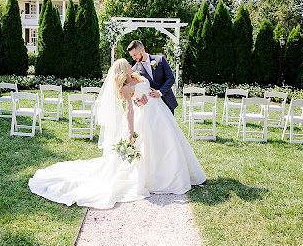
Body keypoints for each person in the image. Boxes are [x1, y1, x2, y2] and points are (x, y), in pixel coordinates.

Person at [28, 58, 206, 209]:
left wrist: (149, 95)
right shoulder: (125, 88)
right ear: (123, 69)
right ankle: (154, 178)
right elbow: (130, 109)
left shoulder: (138, 75)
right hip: (145, 116)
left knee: (167, 144)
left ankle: (171, 173)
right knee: (149, 146)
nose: (131, 65)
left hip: (159, 112)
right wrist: (131, 130)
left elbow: (145, 90)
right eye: (127, 64)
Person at [127, 40, 178, 114]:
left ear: (142, 50)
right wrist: (138, 102)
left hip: (166, 101)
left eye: (135, 55)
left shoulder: (160, 60)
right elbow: (134, 91)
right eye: (132, 56)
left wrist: (160, 92)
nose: (133, 58)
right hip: (150, 107)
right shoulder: (134, 69)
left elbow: (171, 78)